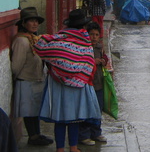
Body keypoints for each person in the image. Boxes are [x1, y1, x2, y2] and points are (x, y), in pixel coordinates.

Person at [34, 9, 101, 152]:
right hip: (78, 85)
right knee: (75, 118)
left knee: (60, 118)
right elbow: (89, 65)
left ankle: (59, 148)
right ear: (83, 26)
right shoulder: (85, 43)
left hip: (58, 84)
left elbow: (42, 49)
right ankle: (73, 147)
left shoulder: (58, 39)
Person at [11, 7, 53, 146]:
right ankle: (33, 136)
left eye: (36, 21)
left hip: (36, 80)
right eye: (31, 21)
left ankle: (36, 134)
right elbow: (16, 65)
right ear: (23, 24)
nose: (35, 24)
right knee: (28, 111)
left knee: (34, 110)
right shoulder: (21, 42)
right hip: (26, 80)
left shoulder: (34, 39)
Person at [79, 22, 108, 146]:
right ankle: (84, 134)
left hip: (99, 83)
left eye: (96, 35)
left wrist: (103, 60)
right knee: (86, 110)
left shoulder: (99, 47)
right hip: (87, 85)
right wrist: (92, 61)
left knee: (97, 110)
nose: (94, 37)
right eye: (91, 34)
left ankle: (96, 132)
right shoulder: (83, 48)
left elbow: (105, 57)